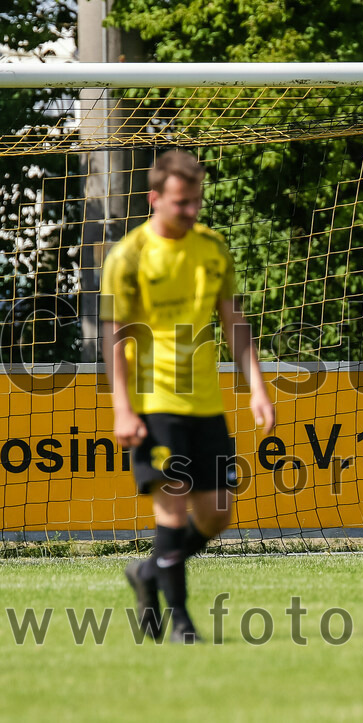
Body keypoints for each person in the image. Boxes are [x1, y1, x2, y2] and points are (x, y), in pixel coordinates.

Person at [100, 149, 275, 643]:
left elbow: (233, 322)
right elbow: (113, 337)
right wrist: (122, 408)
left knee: (218, 513)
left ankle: (149, 569)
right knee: (172, 507)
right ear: (156, 199)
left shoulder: (213, 248)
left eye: (197, 202)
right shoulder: (128, 256)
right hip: (155, 404)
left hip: (206, 403)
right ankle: (179, 622)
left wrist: (257, 388)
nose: (192, 211)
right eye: (182, 203)